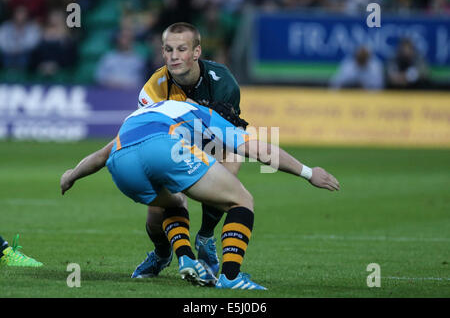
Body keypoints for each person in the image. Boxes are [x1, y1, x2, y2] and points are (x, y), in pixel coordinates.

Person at [60, 99, 340, 290]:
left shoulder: (159, 109)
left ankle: (186, 257)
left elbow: (101, 155)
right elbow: (259, 151)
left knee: (174, 199)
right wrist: (307, 172)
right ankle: (230, 277)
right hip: (163, 148)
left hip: (122, 165)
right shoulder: (210, 118)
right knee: (241, 199)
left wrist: (71, 174)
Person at [134, 22, 245, 279]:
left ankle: (206, 236)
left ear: (196, 53)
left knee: (231, 161)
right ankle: (162, 254)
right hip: (169, 146)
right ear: (162, 52)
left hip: (211, 142)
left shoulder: (224, 82)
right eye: (169, 49)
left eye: (182, 49)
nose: (174, 56)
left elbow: (229, 136)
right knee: (154, 218)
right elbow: (153, 140)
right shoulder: (152, 89)